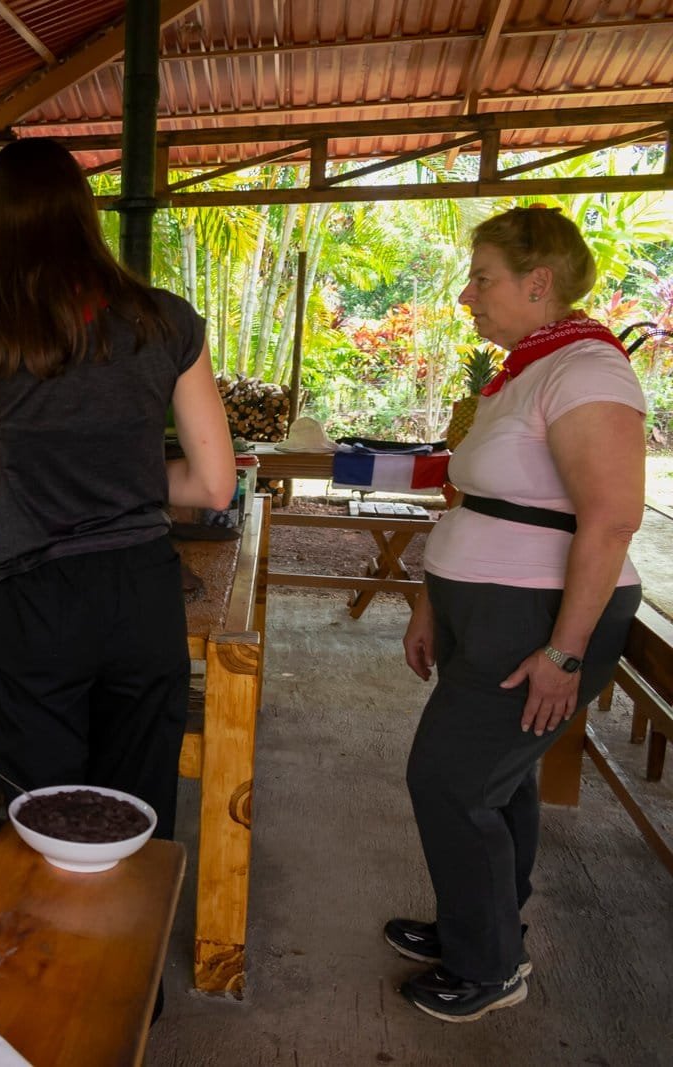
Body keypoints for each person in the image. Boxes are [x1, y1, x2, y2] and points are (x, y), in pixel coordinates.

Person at [393, 205, 643, 1021]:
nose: (469, 296)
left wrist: (565, 654)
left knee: (449, 777)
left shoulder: (587, 370)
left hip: (536, 616)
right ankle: (480, 923)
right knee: (497, 783)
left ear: (539, 284)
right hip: (487, 607)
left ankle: (489, 963)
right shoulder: (525, 369)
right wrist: (433, 599)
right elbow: (475, 502)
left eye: (483, 279)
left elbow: (609, 518)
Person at [0, 138, 235, 844]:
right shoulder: (165, 319)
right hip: (140, 596)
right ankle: (128, 950)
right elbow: (214, 483)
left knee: (44, 816)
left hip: (36, 600)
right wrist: (137, 478)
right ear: (84, 211)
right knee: (136, 812)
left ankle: (53, 946)